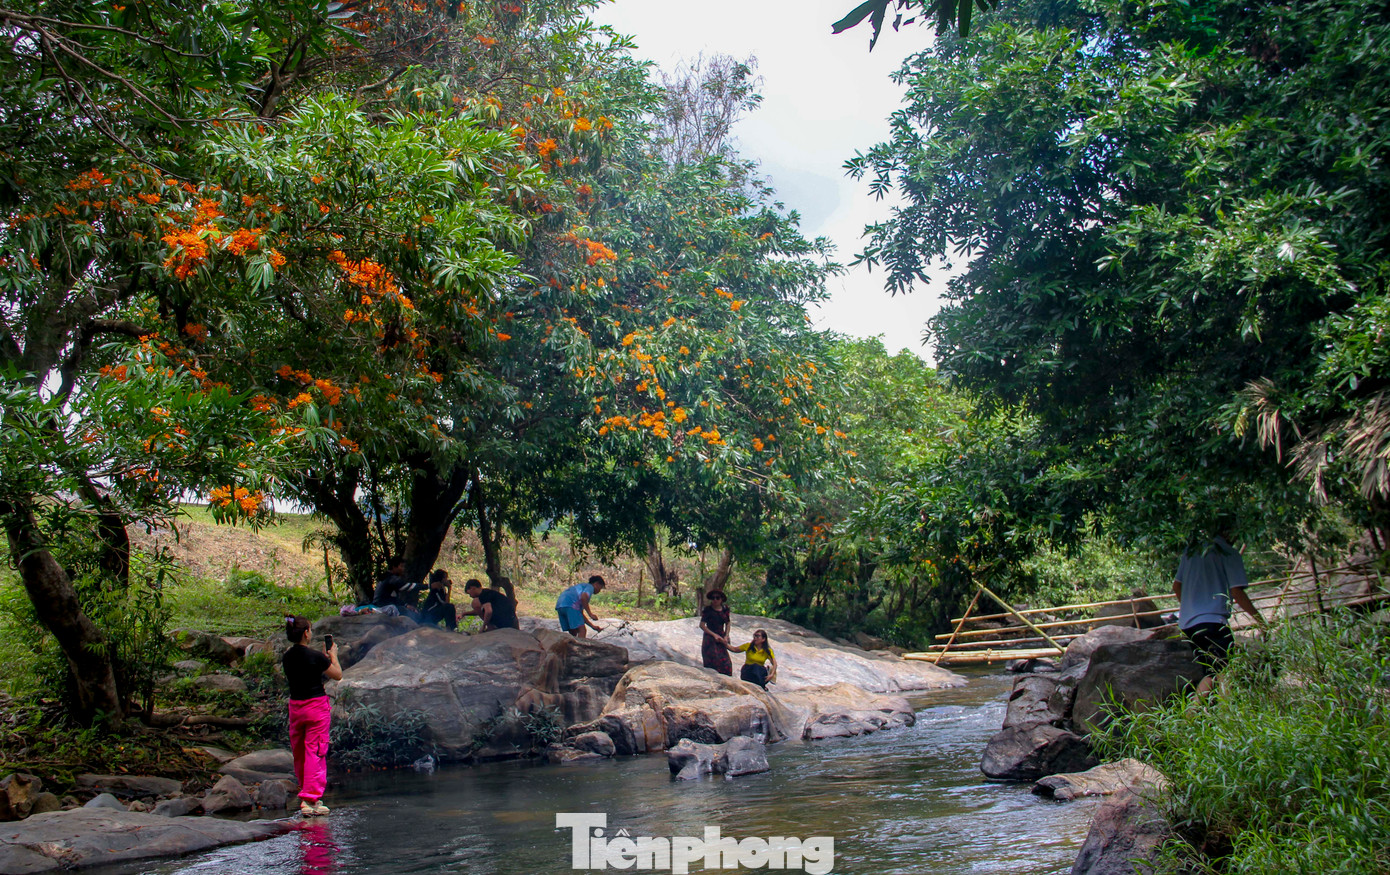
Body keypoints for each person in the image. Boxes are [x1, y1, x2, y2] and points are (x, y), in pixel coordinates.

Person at [1173, 532, 1267, 696]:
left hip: (1189, 624)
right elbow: (1237, 592)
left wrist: (1190, 609)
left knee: (1211, 672)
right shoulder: (1227, 552)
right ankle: (1227, 712)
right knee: (1226, 669)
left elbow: (1176, 586)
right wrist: (1260, 620)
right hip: (1212, 622)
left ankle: (1192, 716)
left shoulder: (1191, 550)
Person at [282, 615, 342, 817]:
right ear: (306, 632)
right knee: (315, 751)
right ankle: (311, 800)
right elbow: (337, 674)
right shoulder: (315, 656)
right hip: (315, 707)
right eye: (310, 629)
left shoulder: (287, 656)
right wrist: (333, 655)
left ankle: (305, 793)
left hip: (296, 707)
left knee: (300, 751)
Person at [699, 590, 733, 676]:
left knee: (726, 663)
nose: (715, 600)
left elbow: (728, 622)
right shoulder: (708, 610)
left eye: (717, 598)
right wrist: (714, 635)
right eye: (713, 598)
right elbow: (702, 625)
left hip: (721, 637)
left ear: (721, 599)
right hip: (710, 638)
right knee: (713, 660)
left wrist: (726, 635)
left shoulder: (725, 609)